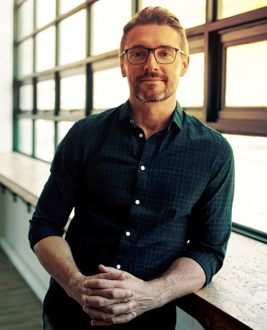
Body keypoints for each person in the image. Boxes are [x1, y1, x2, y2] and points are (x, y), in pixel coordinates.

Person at [28, 6, 234, 329]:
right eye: (138, 53)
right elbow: (44, 226)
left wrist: (152, 294)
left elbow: (209, 251)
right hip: (68, 317)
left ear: (184, 64)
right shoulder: (83, 136)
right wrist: (75, 285)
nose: (151, 64)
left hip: (150, 323)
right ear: (124, 65)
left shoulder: (214, 153)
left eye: (165, 52)